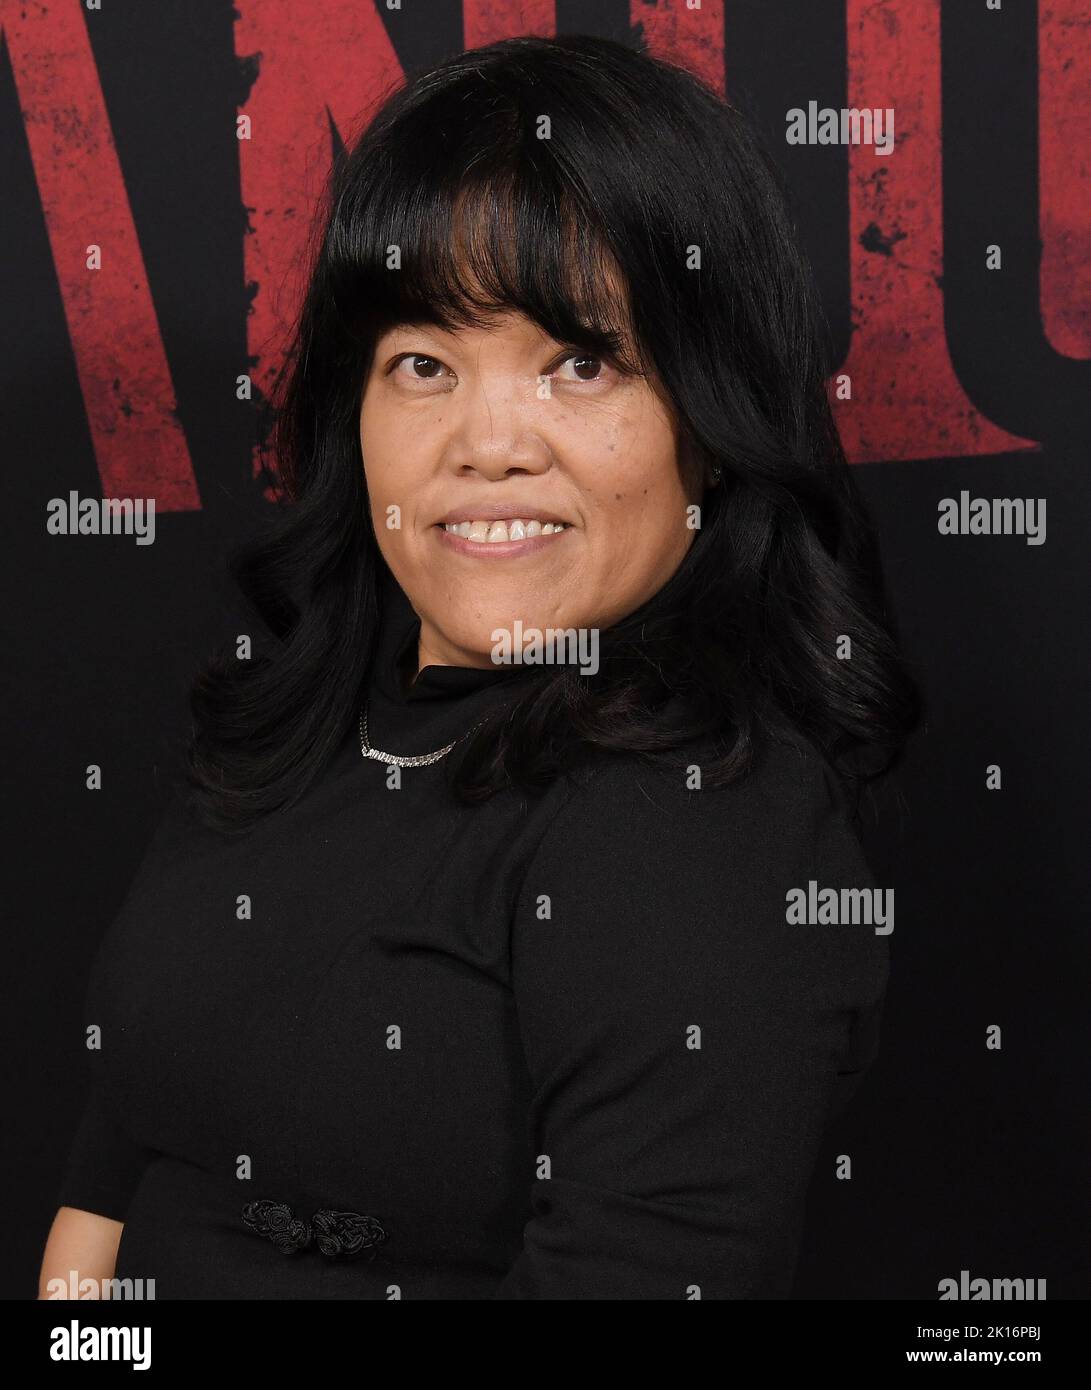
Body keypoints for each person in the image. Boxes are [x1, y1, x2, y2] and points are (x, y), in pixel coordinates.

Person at [40, 33, 919, 1300]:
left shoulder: (701, 825)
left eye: (580, 361)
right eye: (423, 364)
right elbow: (114, 1171)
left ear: (711, 418)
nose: (487, 442)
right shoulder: (306, 710)